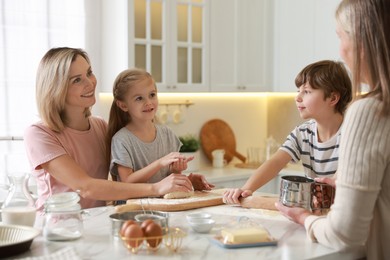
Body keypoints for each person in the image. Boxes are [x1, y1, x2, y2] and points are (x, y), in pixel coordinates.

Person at [276, 0, 390, 259]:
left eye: (341, 36)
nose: (340, 49)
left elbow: (345, 234)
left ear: (363, 42)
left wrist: (304, 218)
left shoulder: (369, 111)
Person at [24, 47, 193, 211]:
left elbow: (132, 176)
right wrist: (157, 188)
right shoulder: (39, 134)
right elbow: (86, 187)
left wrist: (181, 182)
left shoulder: (100, 126)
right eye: (77, 80)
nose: (90, 82)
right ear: (56, 89)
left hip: (98, 223)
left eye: (89, 73)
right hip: (57, 229)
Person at [223, 60, 352, 204]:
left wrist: (330, 188)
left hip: (345, 209)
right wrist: (246, 189)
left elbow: (345, 170)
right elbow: (276, 162)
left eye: (307, 91)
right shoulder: (302, 133)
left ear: (333, 98)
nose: (297, 98)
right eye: (298, 91)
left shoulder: (352, 132)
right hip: (317, 209)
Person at [106, 68, 214, 196]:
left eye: (152, 95)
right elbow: (127, 181)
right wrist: (160, 163)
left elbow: (168, 180)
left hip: (162, 207)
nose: (149, 102)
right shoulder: (121, 139)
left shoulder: (167, 134)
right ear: (123, 105)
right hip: (133, 209)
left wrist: (177, 171)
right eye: (139, 98)